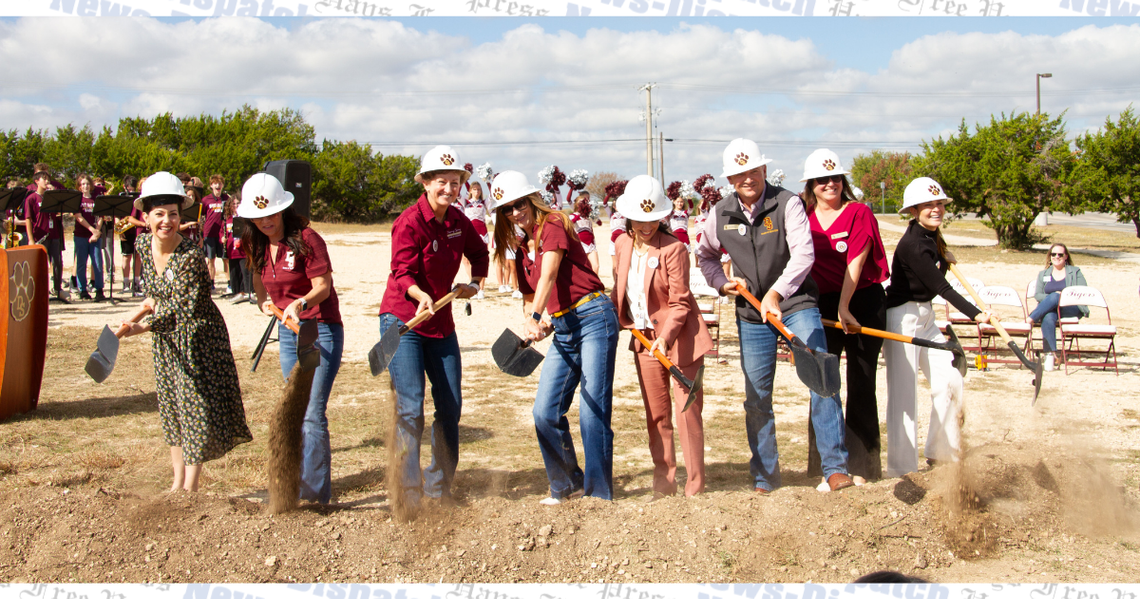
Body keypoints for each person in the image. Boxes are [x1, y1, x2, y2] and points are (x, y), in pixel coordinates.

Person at [694, 138, 854, 494]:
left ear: (764, 170)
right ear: (730, 180)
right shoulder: (719, 214)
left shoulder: (788, 203)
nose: (747, 178)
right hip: (752, 315)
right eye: (739, 174)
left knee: (822, 379)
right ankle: (766, 475)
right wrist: (721, 283)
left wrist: (776, 293)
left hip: (796, 304)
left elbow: (803, 255)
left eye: (753, 170)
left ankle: (835, 468)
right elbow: (703, 255)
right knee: (757, 396)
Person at [490, 170, 618, 505]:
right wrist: (539, 320)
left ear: (531, 200)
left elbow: (549, 273)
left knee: (592, 410)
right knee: (544, 411)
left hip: (593, 318)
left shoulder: (554, 223)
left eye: (519, 204)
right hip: (564, 327)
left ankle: (599, 493)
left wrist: (535, 317)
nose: (515, 212)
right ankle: (566, 483)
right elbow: (529, 296)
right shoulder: (520, 247)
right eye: (507, 208)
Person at [119, 171, 252, 492]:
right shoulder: (141, 244)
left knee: (193, 407)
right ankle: (176, 482)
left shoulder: (191, 257)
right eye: (159, 214)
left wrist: (139, 328)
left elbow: (181, 309)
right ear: (146, 217)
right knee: (171, 406)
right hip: (165, 339)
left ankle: (190, 489)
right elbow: (153, 296)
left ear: (182, 217)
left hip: (198, 338)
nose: (167, 221)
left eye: (174, 214)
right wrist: (127, 321)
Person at [378, 146, 487, 513]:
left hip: (440, 325)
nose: (450, 188)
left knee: (450, 405)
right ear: (425, 183)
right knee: (410, 407)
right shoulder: (408, 222)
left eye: (455, 182)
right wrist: (419, 294)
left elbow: (481, 254)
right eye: (442, 181)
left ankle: (439, 488)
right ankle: (408, 494)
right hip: (403, 322)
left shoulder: (459, 221)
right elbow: (402, 271)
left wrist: (475, 282)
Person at [240, 173, 343, 504]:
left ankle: (315, 497)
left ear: (283, 209)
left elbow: (322, 287)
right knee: (295, 407)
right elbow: (258, 277)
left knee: (312, 411)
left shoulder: (308, 238)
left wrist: (299, 305)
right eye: (258, 217)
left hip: (319, 328)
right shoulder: (255, 242)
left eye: (270, 214)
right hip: (289, 332)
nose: (265, 221)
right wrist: (264, 302)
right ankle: (293, 487)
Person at [883, 177, 992, 477]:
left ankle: (941, 452)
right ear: (914, 209)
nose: (936, 209)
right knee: (904, 395)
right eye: (929, 205)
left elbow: (935, 270)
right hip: (901, 318)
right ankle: (901, 469)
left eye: (939, 204)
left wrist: (943, 256)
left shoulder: (931, 238)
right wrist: (976, 315)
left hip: (925, 316)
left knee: (951, 379)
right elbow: (942, 288)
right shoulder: (913, 245)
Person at [612, 175, 712, 498]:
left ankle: (695, 485)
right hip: (643, 341)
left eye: (653, 219)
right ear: (629, 216)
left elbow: (680, 302)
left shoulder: (674, 248)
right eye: (640, 220)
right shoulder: (621, 245)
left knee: (687, 413)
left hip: (679, 340)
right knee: (657, 416)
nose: (646, 226)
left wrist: (665, 338)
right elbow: (620, 291)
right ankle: (664, 484)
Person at [801, 149, 890, 481]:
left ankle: (863, 467)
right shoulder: (803, 216)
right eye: (822, 180)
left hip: (862, 302)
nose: (830, 184)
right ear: (812, 184)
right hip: (821, 307)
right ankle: (824, 468)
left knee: (861, 384)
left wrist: (845, 306)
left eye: (835, 178)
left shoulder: (859, 212)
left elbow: (856, 259)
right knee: (823, 384)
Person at [1025, 243, 1088, 372]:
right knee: (1048, 315)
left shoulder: (1075, 272)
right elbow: (1038, 295)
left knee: (1055, 297)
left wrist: (1061, 297)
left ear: (1066, 257)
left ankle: (1031, 319)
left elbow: (1082, 292)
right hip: (1050, 309)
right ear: (1050, 256)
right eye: (1054, 254)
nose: (1057, 257)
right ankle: (1050, 354)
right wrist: (1052, 299)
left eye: (1060, 254)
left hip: (1070, 308)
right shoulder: (1043, 274)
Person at [24, 171, 66, 302]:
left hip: (54, 234)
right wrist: (31, 239)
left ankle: (57, 289)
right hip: (40, 236)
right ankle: (42, 290)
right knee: (42, 265)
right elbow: (28, 219)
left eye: (48, 179)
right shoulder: (31, 198)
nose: (47, 181)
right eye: (44, 179)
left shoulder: (51, 197)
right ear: (37, 181)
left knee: (58, 262)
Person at [73, 174, 107, 301]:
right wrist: (91, 230)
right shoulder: (78, 200)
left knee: (97, 263)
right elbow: (78, 216)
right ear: (79, 186)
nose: (85, 186)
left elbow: (100, 217)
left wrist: (97, 232)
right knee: (81, 263)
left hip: (95, 236)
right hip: (81, 235)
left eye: (87, 184)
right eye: (83, 184)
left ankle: (99, 289)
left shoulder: (95, 199)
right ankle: (83, 290)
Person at [460, 181, 490, 299]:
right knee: (466, 260)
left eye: (479, 190)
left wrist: (488, 180)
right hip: (469, 231)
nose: (477, 192)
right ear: (470, 190)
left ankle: (481, 288)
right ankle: (472, 283)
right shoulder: (465, 202)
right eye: (474, 189)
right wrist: (463, 180)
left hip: (482, 231)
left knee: (482, 259)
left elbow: (493, 195)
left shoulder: (484, 202)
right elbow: (457, 194)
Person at [118, 175, 145, 295]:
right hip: (127, 230)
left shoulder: (144, 199)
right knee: (126, 256)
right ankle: (125, 283)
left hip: (139, 231)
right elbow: (118, 215)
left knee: (138, 257)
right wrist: (120, 230)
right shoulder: (123, 198)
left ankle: (136, 282)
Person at [223, 193, 252, 303]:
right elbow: (223, 231)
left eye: (238, 203)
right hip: (231, 250)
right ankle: (236, 292)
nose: (235, 205)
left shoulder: (245, 218)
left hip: (243, 250)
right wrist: (222, 238)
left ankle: (247, 292)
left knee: (245, 271)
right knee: (234, 272)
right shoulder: (228, 218)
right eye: (233, 204)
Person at [202, 175, 229, 287]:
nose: (218, 185)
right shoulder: (206, 200)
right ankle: (211, 282)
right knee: (211, 259)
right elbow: (202, 215)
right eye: (215, 183)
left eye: (220, 183)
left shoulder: (226, 198)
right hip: (210, 233)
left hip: (223, 234)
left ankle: (229, 282)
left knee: (225, 259)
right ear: (211, 185)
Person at [569, 192, 600, 274]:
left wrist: (594, 214)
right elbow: (570, 222)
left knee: (595, 266)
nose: (583, 204)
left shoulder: (589, 216)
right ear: (576, 205)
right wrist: (579, 213)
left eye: (584, 202)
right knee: (583, 268)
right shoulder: (573, 215)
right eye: (580, 203)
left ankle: (594, 286)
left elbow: (599, 223)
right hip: (580, 245)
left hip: (591, 245)